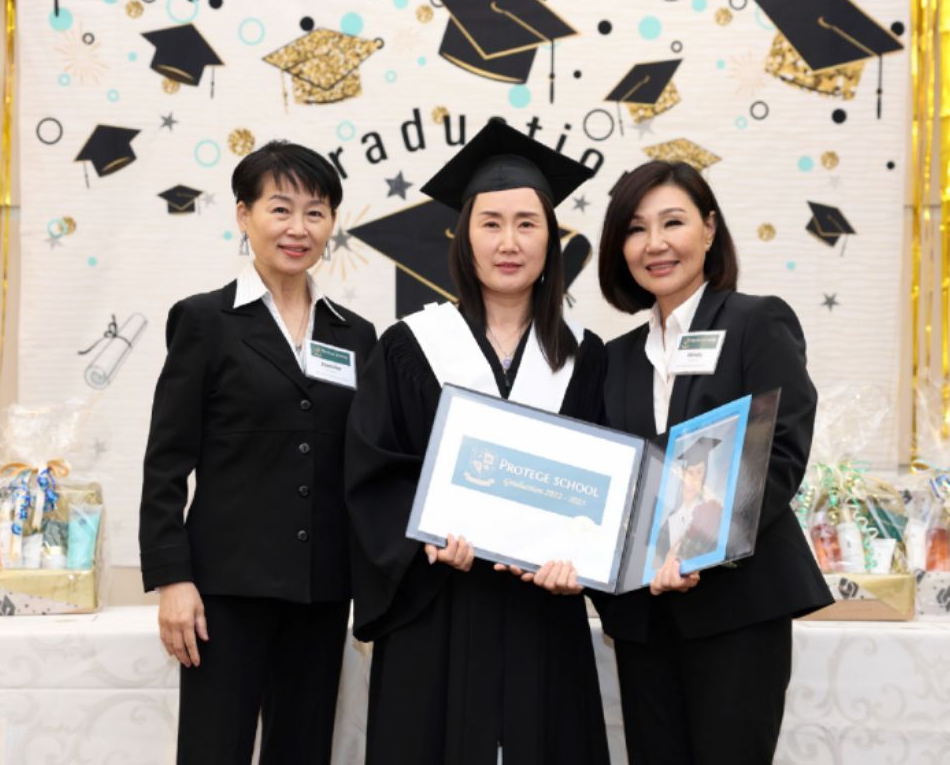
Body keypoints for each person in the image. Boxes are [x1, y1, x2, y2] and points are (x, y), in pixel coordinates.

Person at [344, 119, 610, 765]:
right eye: (490, 223)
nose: (508, 242)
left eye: (527, 223)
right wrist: (425, 538)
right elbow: (371, 472)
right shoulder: (409, 347)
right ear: (464, 238)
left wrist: (580, 561)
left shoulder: (588, 358)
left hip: (544, 612)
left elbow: (608, 490)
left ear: (552, 239)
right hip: (437, 609)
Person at [138, 141, 377, 764]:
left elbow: (365, 463)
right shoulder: (204, 321)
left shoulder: (356, 335)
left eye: (316, 212)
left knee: (303, 751)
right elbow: (166, 462)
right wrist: (172, 579)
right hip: (224, 592)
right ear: (244, 215)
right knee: (214, 751)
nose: (299, 228)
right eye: (281, 209)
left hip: (322, 589)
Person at [595, 160, 833, 764]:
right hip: (644, 615)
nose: (655, 244)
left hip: (737, 606)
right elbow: (611, 477)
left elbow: (781, 449)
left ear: (708, 229)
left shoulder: (755, 321)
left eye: (672, 222)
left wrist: (697, 545)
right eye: (636, 229)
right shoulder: (615, 359)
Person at [654, 436, 724, 563]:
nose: (693, 480)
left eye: (699, 472)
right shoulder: (667, 523)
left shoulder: (710, 516)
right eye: (690, 472)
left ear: (704, 476)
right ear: (683, 475)